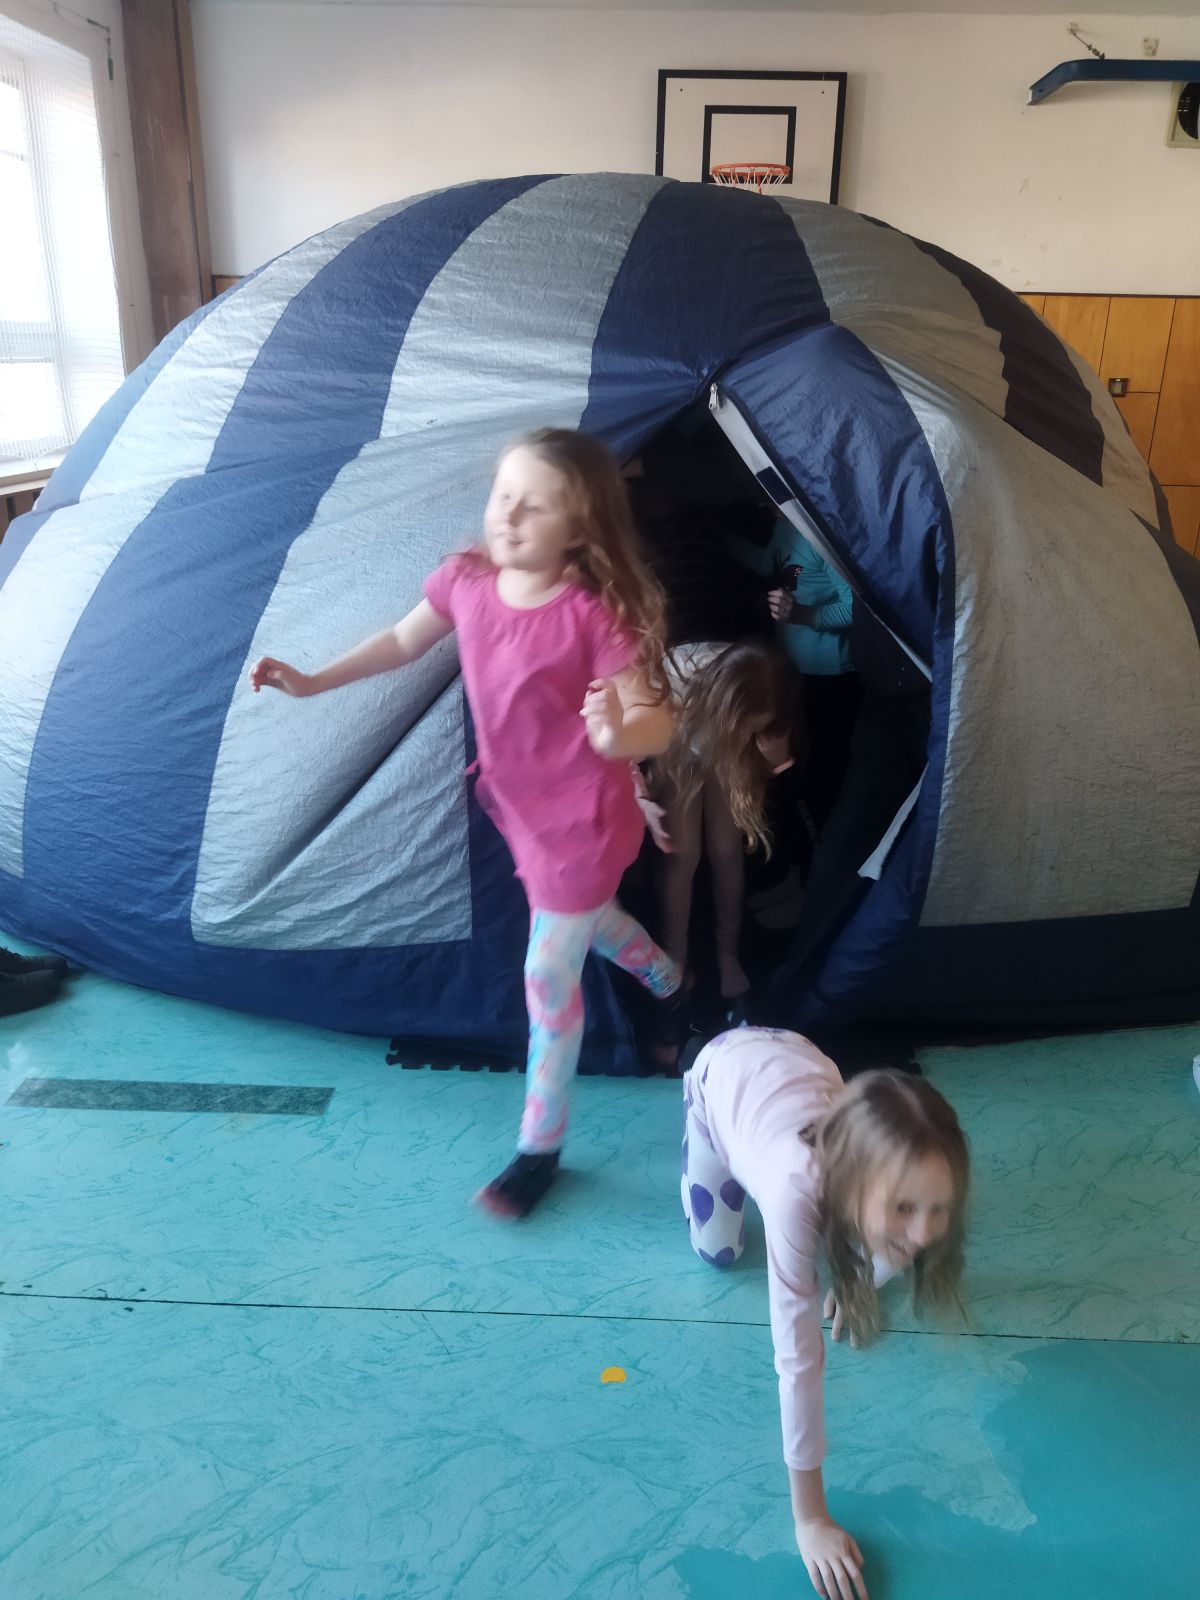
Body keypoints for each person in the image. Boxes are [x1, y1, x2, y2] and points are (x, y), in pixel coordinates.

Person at [250, 427, 681, 1218]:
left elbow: (655, 718)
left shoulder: (591, 615)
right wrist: (311, 683)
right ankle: (664, 976)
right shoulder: (467, 581)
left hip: (583, 821)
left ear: (579, 529)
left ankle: (539, 1147)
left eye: (534, 506)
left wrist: (620, 735)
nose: (507, 516)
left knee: (548, 972)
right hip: (520, 810)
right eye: (502, 495)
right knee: (582, 924)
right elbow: (400, 641)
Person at [681, 1027, 969, 1600]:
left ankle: (878, 1218)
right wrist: (810, 1517)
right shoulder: (793, 1190)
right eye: (904, 1207)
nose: (924, 1233)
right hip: (722, 1074)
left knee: (892, 1232)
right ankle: (699, 1103)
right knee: (719, 1252)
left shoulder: (892, 1189)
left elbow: (906, 1234)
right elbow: (797, 1361)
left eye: (938, 1208)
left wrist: (862, 1277)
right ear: (855, 1182)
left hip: (801, 1055)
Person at [646, 640, 799, 1061]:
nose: (747, 733)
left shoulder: (768, 702)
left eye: (754, 728)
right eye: (742, 726)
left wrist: (776, 761)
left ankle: (727, 952)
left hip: (724, 758)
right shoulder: (679, 681)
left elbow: (774, 776)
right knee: (683, 854)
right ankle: (676, 958)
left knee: (727, 849)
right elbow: (651, 746)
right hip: (679, 746)